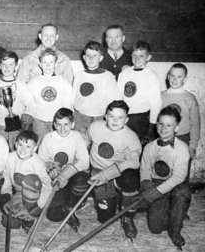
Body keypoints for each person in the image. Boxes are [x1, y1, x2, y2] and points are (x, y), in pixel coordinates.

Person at [86, 100, 142, 240]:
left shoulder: (131, 137)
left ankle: (127, 218)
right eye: (111, 116)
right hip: (98, 172)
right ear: (105, 116)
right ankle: (115, 197)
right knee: (105, 219)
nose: (115, 121)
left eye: (120, 117)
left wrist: (108, 174)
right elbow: (84, 144)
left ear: (126, 119)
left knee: (131, 177)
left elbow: (134, 162)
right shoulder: (94, 127)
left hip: (118, 173)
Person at [138, 106, 191, 248]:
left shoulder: (182, 148)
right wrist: (147, 186)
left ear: (176, 128)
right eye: (160, 124)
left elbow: (179, 177)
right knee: (155, 229)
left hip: (174, 185)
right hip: (157, 184)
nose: (163, 128)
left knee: (182, 192)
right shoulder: (150, 147)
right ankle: (170, 207)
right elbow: (144, 170)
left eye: (169, 125)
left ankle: (175, 229)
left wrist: (156, 193)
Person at [38, 108, 90, 232]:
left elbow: (84, 161)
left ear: (72, 125)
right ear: (54, 125)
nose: (62, 129)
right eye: (59, 125)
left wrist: (66, 173)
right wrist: (50, 167)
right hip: (55, 179)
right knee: (54, 216)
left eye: (66, 124)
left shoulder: (77, 136)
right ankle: (65, 201)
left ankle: (70, 206)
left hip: (70, 176)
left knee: (82, 179)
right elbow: (40, 161)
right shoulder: (48, 138)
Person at [0, 130, 52, 233]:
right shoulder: (9, 158)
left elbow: (48, 186)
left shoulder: (38, 163)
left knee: (31, 180)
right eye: (20, 145)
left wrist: (37, 208)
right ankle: (22, 211)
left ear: (34, 149)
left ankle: (31, 214)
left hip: (35, 195)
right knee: (10, 223)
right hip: (19, 193)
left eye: (28, 147)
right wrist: (6, 199)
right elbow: (7, 180)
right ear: (15, 144)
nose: (23, 149)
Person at [72, 41, 121, 135]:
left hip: (100, 118)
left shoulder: (108, 76)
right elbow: (72, 98)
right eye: (88, 55)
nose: (91, 58)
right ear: (84, 57)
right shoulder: (79, 75)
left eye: (94, 56)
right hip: (81, 118)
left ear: (101, 58)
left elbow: (116, 99)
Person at [118, 40, 162, 145]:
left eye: (141, 56)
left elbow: (156, 104)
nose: (137, 58)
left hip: (142, 119)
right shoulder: (124, 74)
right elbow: (119, 97)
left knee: (140, 148)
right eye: (134, 55)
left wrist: (151, 129)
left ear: (148, 57)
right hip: (125, 117)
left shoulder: (151, 75)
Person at [0, 51, 34, 150]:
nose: (7, 68)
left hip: (17, 128)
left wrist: (24, 122)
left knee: (15, 154)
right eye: (4, 65)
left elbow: (31, 105)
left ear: (16, 66)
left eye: (10, 65)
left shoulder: (21, 85)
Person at [26, 48, 73, 144]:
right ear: (40, 65)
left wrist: (66, 119)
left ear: (55, 64)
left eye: (51, 62)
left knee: (57, 145)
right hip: (39, 121)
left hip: (58, 122)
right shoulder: (34, 82)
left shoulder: (62, 81)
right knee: (39, 145)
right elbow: (29, 102)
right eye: (44, 62)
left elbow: (68, 102)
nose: (48, 65)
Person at [161, 63, 200, 160]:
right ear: (168, 76)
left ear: (185, 79)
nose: (175, 80)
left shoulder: (190, 98)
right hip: (163, 137)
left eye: (179, 77)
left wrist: (193, 146)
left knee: (182, 171)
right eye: (172, 76)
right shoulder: (160, 96)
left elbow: (195, 124)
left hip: (183, 138)